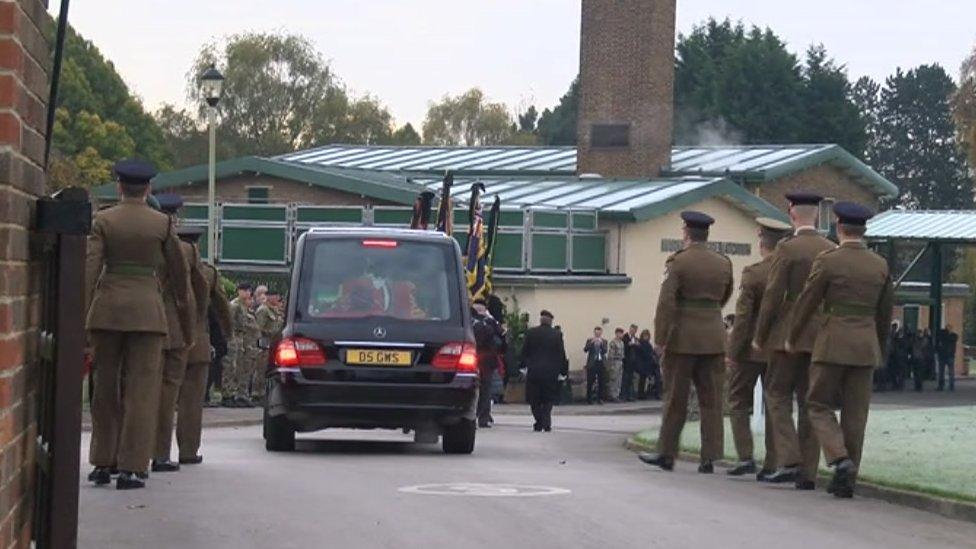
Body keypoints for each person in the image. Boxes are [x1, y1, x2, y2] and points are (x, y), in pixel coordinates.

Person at [85, 159, 192, 490]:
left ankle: (104, 461)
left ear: (119, 187)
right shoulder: (162, 224)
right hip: (147, 315)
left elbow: (89, 271)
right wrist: (187, 328)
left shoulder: (103, 220)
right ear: (148, 189)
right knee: (142, 392)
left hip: (107, 313)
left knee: (104, 388)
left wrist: (81, 318)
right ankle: (132, 467)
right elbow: (180, 277)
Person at [790, 202, 894, 498]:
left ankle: (838, 457)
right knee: (855, 415)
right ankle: (847, 480)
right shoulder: (879, 265)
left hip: (832, 343)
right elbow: (884, 314)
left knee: (818, 404)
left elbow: (807, 302)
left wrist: (793, 336)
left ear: (838, 227)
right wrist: (880, 347)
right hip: (865, 347)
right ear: (864, 230)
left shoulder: (828, 261)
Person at [752, 191, 835, 490]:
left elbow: (773, 296)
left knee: (776, 394)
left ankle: (789, 459)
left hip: (788, 332)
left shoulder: (787, 249)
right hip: (820, 334)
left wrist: (760, 335)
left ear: (791, 214)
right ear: (816, 215)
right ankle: (808, 474)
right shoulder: (830, 248)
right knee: (810, 400)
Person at [639, 211, 733, 473]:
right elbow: (724, 296)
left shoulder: (677, 263)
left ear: (686, 233)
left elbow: (666, 303)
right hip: (714, 336)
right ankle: (710, 456)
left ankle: (667, 453)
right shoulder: (723, 262)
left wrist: (661, 338)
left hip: (682, 338)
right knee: (711, 400)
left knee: (675, 399)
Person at [156, 226, 231, 467]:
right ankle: (188, 450)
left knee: (162, 397)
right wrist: (227, 334)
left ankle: (159, 451)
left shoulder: (160, 267)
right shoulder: (208, 273)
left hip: (166, 336)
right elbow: (222, 307)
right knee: (192, 401)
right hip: (197, 341)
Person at [725, 217, 791, 480]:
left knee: (738, 401)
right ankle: (773, 462)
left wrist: (733, 351)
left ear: (761, 240)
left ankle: (745, 457)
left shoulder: (753, 273)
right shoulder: (791, 276)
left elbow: (743, 319)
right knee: (776, 403)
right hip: (780, 350)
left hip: (752, 350)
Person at [151, 195, 207, 473]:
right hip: (171, 328)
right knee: (166, 392)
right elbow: (194, 295)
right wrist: (192, 329)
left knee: (130, 392)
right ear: (174, 219)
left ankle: (115, 457)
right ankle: (159, 453)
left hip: (133, 321)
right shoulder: (186, 250)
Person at [521, 310, 568, 432]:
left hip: (534, 371)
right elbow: (561, 354)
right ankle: (546, 422)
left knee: (534, 399)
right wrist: (563, 371)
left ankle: (539, 421)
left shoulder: (531, 333)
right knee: (548, 399)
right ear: (551, 321)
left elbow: (524, 352)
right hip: (550, 373)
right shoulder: (556, 334)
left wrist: (523, 366)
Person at [471, 297, 504, 428]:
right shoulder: (491, 323)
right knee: (486, 390)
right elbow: (501, 339)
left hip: (470, 358)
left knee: (471, 389)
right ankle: (483, 417)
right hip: (487, 360)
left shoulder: (468, 322)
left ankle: (471, 416)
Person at [222, 282, 254, 406]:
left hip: (241, 339)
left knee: (239, 368)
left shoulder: (244, 306)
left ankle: (237, 394)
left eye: (249, 291)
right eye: (245, 290)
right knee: (230, 366)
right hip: (233, 338)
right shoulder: (234, 305)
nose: (248, 293)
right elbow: (229, 323)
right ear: (239, 291)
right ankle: (227, 394)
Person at [253, 290, 282, 403]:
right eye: (275, 296)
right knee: (260, 368)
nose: (277, 299)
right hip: (264, 341)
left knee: (266, 369)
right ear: (269, 297)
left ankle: (262, 392)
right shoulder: (263, 310)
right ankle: (256, 393)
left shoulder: (274, 310)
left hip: (272, 343)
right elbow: (258, 328)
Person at [583, 326, 608, 404]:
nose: (598, 334)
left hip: (600, 362)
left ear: (601, 333)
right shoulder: (590, 340)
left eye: (599, 332)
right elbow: (585, 349)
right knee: (590, 381)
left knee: (601, 381)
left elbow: (605, 351)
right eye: (596, 332)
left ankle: (600, 398)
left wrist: (601, 344)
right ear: (594, 333)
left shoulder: (604, 341)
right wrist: (591, 343)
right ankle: (589, 399)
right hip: (592, 363)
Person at [634, 330, 661, 400]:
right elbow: (643, 353)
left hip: (650, 364)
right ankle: (641, 394)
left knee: (655, 378)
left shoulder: (648, 344)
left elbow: (651, 353)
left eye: (647, 336)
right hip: (643, 364)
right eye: (644, 336)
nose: (646, 337)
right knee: (642, 380)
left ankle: (656, 393)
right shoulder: (640, 343)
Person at [619, 324, 640, 401]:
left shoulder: (636, 339)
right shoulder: (625, 337)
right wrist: (629, 344)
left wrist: (637, 345)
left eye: (635, 330)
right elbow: (623, 347)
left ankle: (630, 395)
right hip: (626, 361)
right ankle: (624, 395)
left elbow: (639, 349)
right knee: (625, 378)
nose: (633, 332)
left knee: (631, 379)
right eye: (632, 330)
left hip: (633, 362)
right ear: (630, 329)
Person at [605, 328, 626, 402]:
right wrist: (611, 365)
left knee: (619, 379)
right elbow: (611, 354)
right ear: (616, 333)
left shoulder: (622, 343)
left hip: (620, 361)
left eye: (622, 333)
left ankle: (617, 394)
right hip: (615, 361)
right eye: (620, 333)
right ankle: (612, 395)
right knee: (614, 378)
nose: (621, 335)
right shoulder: (613, 343)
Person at [937, 325, 959, 391]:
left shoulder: (954, 336)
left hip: (950, 356)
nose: (947, 330)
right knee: (941, 372)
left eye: (949, 328)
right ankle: (941, 385)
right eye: (946, 328)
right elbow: (939, 340)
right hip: (942, 356)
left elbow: (952, 339)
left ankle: (951, 386)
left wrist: (947, 334)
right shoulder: (942, 335)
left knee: (951, 372)